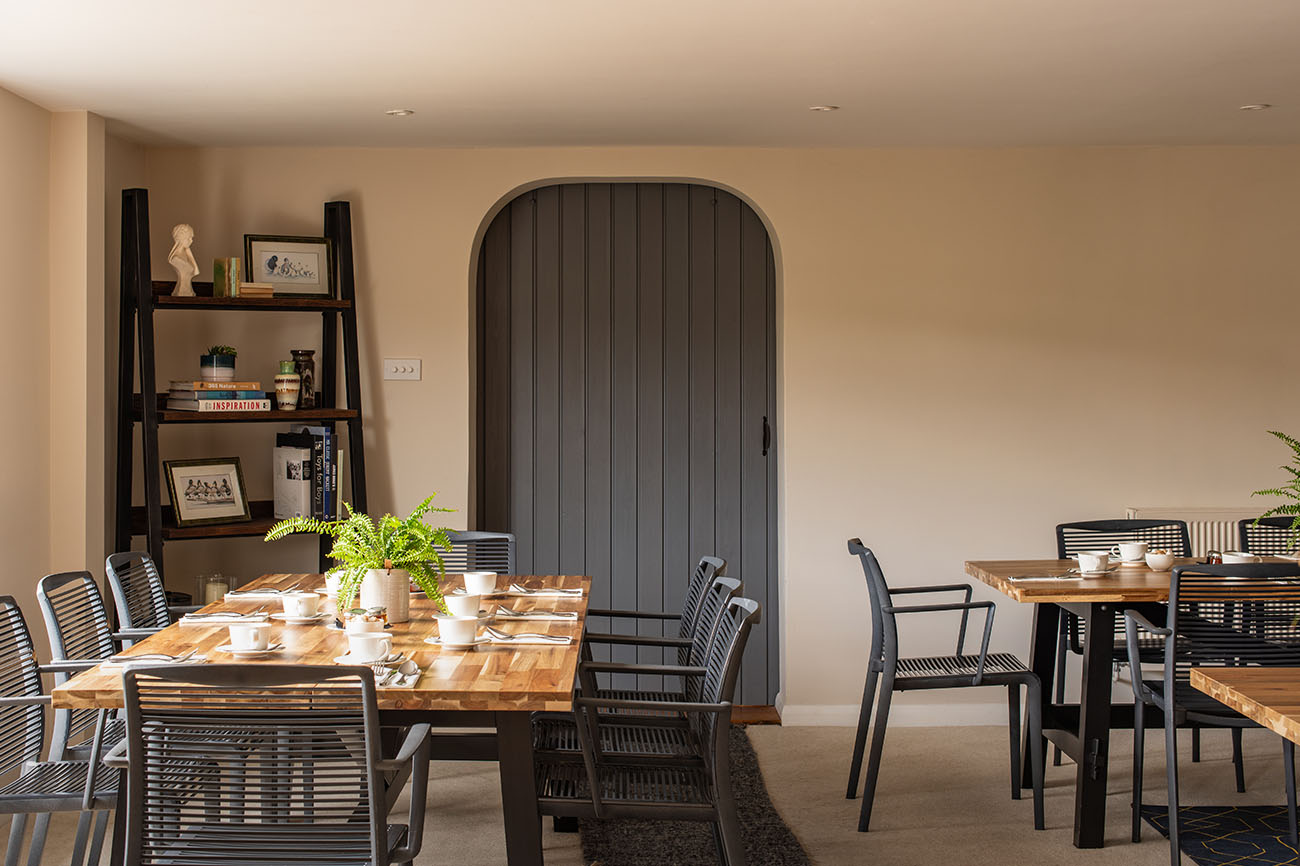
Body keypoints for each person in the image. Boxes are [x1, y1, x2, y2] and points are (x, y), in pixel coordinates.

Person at [168, 224, 199, 297]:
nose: (191, 241)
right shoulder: (175, 258)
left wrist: (188, 251)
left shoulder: (186, 254)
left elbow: (196, 270)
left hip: (189, 291)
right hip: (182, 291)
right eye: (189, 238)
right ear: (182, 238)